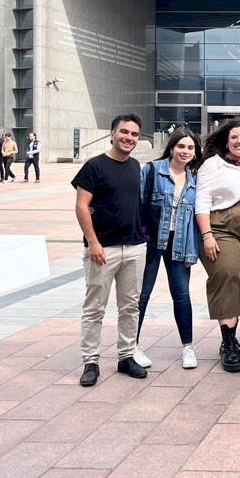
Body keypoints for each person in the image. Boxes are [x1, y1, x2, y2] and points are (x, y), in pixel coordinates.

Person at [72, 113, 149, 387]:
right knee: (95, 308)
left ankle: (126, 356)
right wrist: (93, 242)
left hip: (134, 247)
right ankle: (90, 361)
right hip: (103, 249)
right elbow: (82, 206)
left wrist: (143, 239)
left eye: (134, 134)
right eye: (124, 132)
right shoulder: (94, 166)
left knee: (130, 307)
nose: (129, 138)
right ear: (112, 134)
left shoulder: (136, 166)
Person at [195, 118, 240, 373]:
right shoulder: (212, 165)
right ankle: (227, 344)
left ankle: (232, 337)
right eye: (234, 137)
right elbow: (202, 200)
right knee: (227, 276)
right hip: (221, 228)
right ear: (226, 141)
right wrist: (207, 235)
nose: (239, 141)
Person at [134, 128, 202, 371]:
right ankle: (132, 345)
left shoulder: (195, 178)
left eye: (190, 147)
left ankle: (188, 347)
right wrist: (143, 238)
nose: (185, 151)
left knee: (182, 295)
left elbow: (195, 219)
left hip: (179, 243)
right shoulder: (152, 170)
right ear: (172, 147)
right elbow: (137, 204)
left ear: (195, 152)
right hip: (151, 242)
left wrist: (192, 251)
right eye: (181, 146)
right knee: (141, 295)